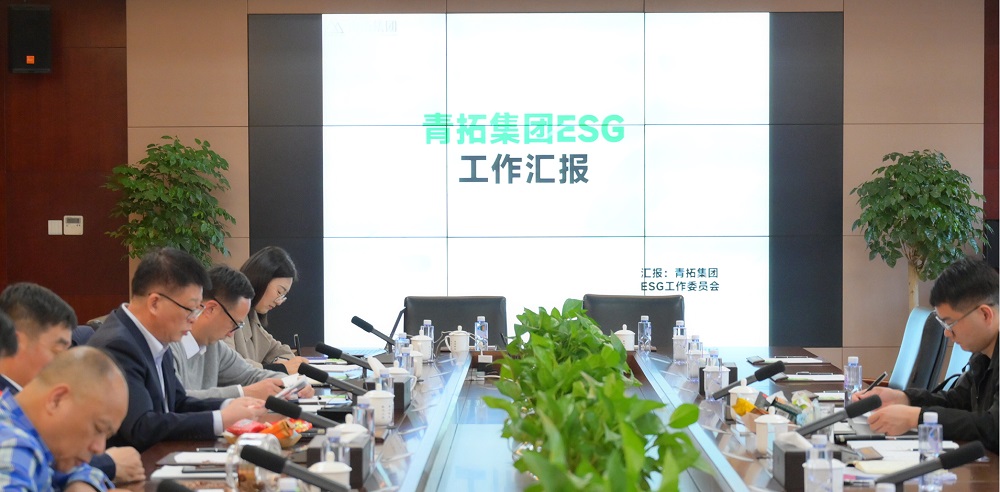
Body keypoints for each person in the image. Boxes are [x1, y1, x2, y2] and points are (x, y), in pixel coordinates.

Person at [87, 247, 266, 452]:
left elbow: (177, 402)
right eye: (191, 309)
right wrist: (219, 419)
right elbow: (141, 427)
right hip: (130, 463)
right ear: (155, 303)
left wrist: (227, 406)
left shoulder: (155, 337)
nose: (194, 319)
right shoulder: (119, 346)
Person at [0, 282, 144, 484]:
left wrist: (82, 480)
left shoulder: (26, 418)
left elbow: (57, 466)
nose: (63, 363)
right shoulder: (13, 442)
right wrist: (105, 464)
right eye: (58, 352)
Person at [853, 256, 998, 452]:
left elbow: (994, 427)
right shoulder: (982, 355)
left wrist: (916, 418)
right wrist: (904, 398)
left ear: (985, 314)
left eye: (950, 324)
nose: (947, 333)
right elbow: (956, 402)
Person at [171, 264, 314, 399]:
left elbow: (251, 375)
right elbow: (177, 399)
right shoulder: (169, 347)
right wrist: (243, 392)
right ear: (211, 309)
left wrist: (291, 383)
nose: (231, 334)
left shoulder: (215, 347)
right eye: (233, 324)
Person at [0, 346, 127, 491]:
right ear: (57, 400)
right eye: (98, 428)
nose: (99, 448)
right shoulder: (14, 447)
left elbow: (80, 471)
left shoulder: (46, 447)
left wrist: (82, 483)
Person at [225, 246, 309, 374]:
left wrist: (278, 362)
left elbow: (281, 351)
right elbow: (227, 364)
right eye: (279, 292)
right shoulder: (226, 310)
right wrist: (279, 368)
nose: (279, 302)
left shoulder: (252, 316)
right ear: (262, 278)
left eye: (283, 296)